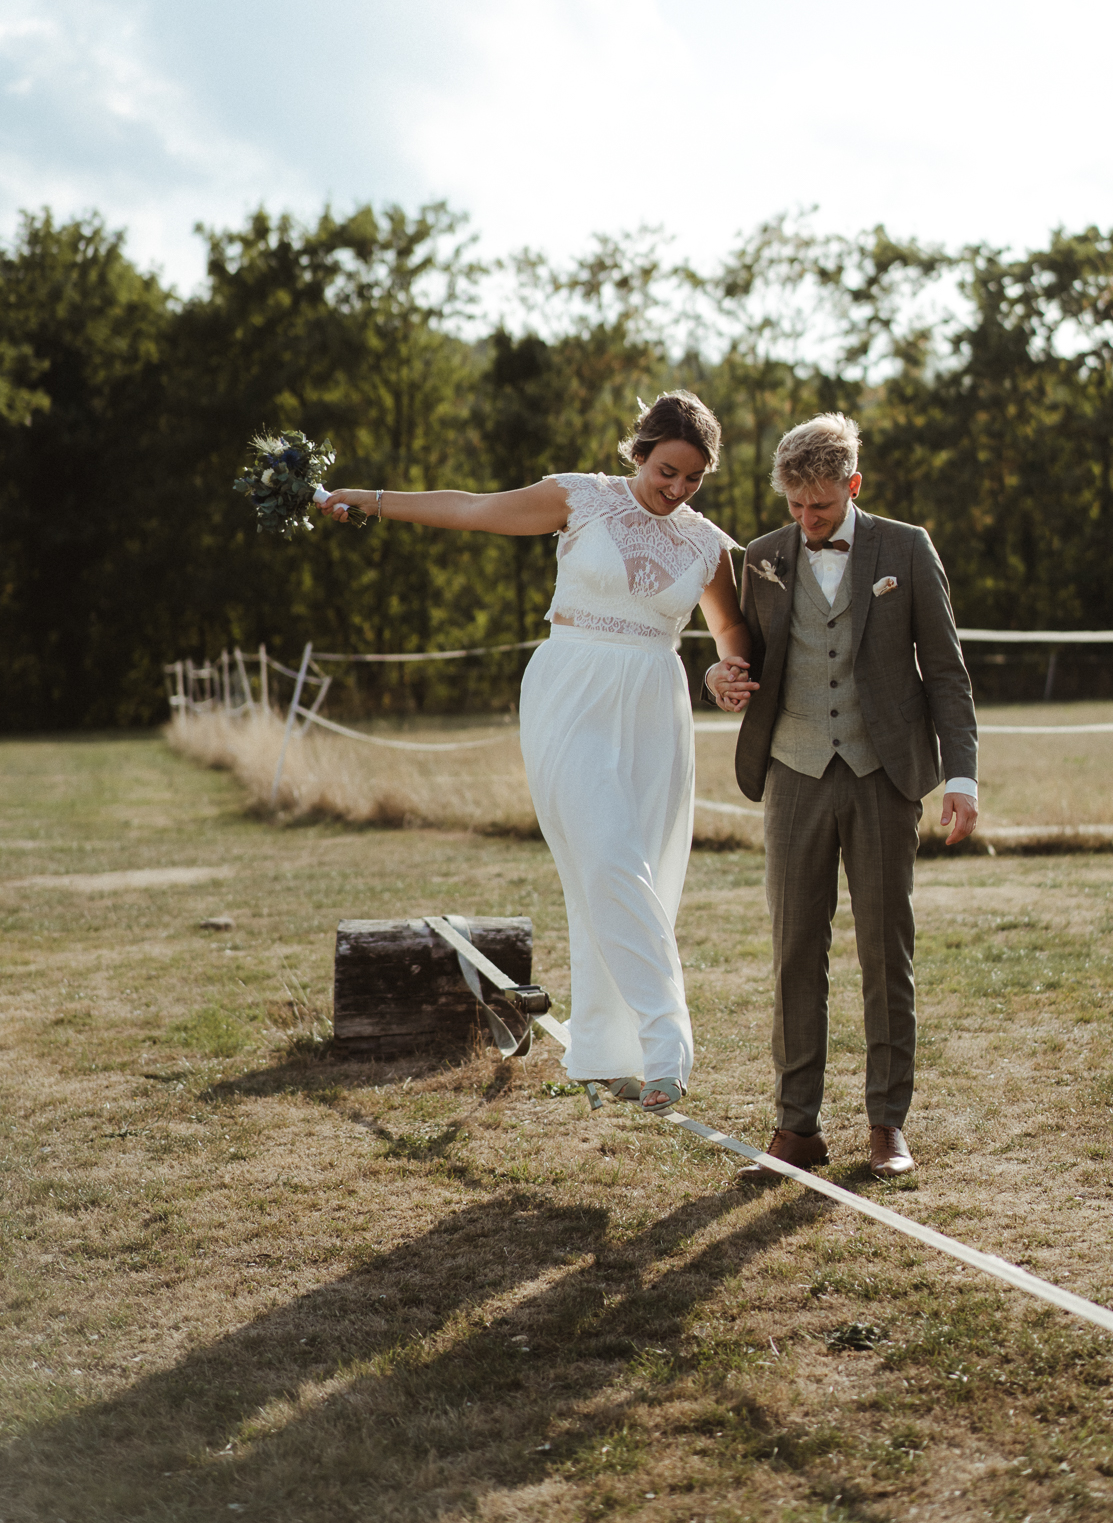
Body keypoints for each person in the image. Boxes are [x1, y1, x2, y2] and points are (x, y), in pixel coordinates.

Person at [320, 390, 753, 1112]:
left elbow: (732, 633)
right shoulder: (579, 499)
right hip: (572, 691)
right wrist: (370, 499)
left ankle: (605, 1054)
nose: (677, 490)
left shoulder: (707, 543)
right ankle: (667, 1037)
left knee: (633, 868)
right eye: (667, 471)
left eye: (694, 479)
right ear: (640, 451)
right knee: (608, 854)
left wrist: (719, 673)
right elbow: (469, 507)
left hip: (656, 704)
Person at [704, 413, 978, 1180]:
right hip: (791, 774)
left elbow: (947, 673)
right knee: (795, 950)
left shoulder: (907, 548)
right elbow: (736, 653)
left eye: (820, 505)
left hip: (884, 776)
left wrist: (962, 776)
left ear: (852, 485)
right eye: (794, 506)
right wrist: (717, 676)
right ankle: (797, 1130)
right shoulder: (759, 558)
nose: (805, 519)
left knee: (885, 951)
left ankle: (887, 1124)